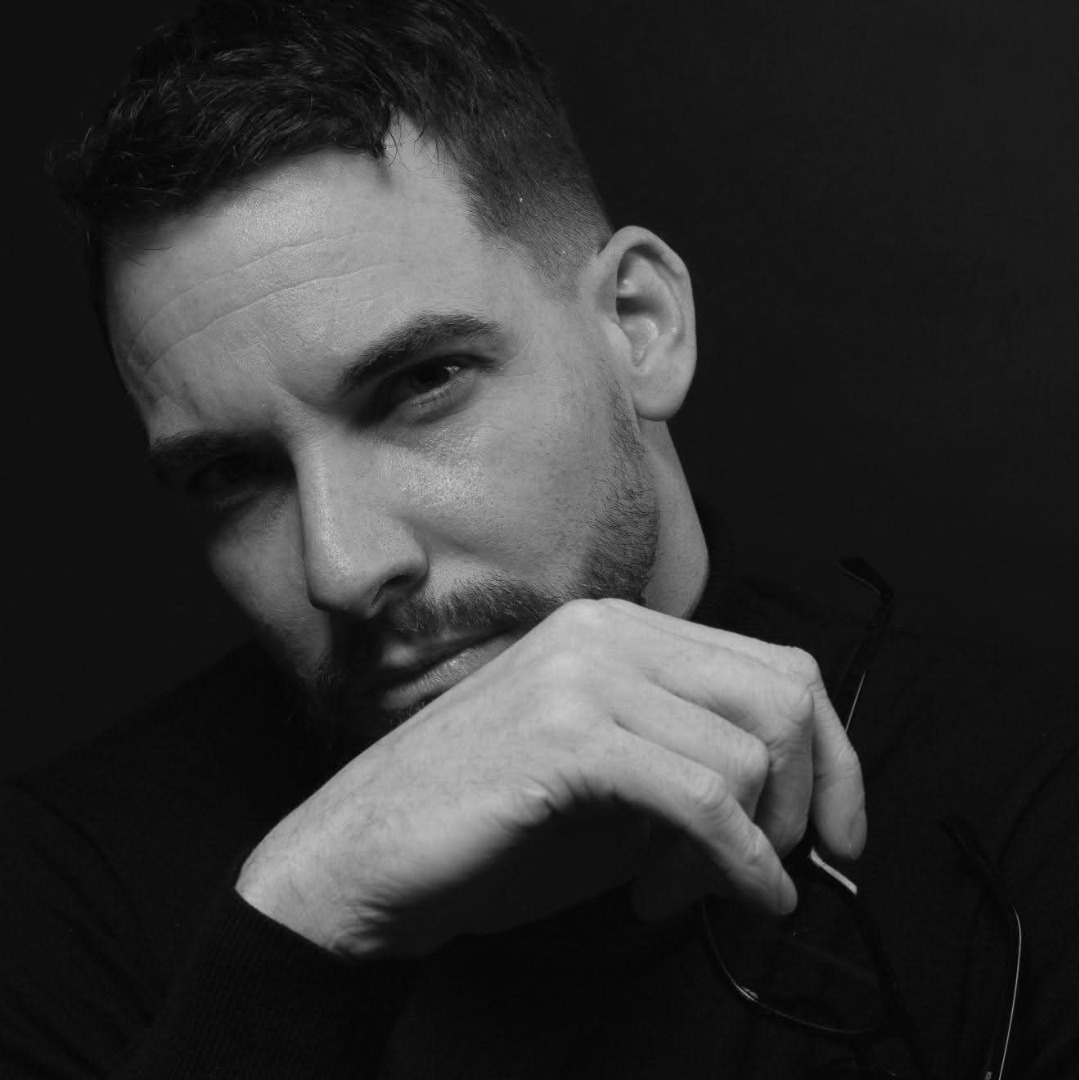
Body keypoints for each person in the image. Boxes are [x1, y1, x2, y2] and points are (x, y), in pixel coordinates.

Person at [1, 1, 1075, 1077]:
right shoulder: (70, 893)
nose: (344, 567)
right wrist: (300, 922)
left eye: (420, 384)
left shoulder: (1021, 804)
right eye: (231, 474)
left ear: (639, 325)